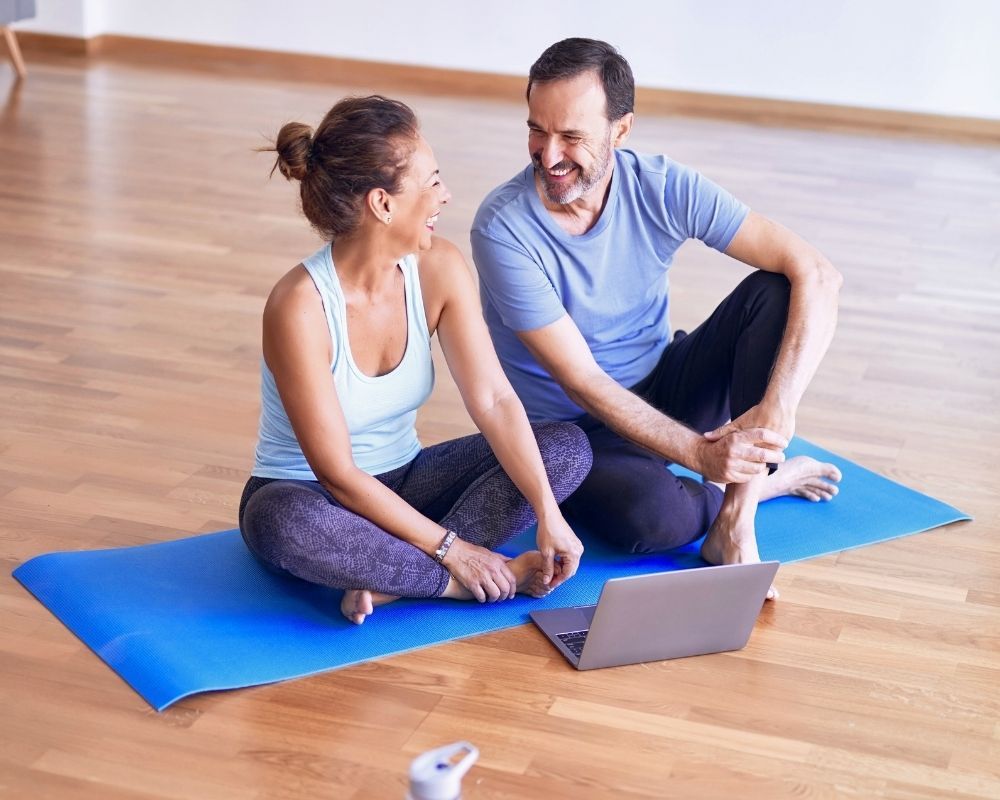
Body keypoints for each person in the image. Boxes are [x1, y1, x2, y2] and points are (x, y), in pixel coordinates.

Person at [472, 38, 843, 595]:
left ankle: (735, 523)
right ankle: (762, 484)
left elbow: (817, 273)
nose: (548, 155)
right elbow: (585, 382)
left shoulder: (663, 186)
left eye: (571, 136)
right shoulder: (503, 230)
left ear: (621, 131)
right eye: (536, 130)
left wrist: (779, 408)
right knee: (652, 520)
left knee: (778, 289)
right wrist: (699, 454)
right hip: (575, 433)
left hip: (664, 383)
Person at [240, 95, 592, 624]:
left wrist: (547, 511)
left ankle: (390, 582)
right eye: (430, 182)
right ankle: (451, 583)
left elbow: (494, 399)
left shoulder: (440, 269)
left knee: (565, 449)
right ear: (382, 204)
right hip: (312, 496)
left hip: (407, 480)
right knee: (281, 523)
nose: (444, 195)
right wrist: (456, 551)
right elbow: (337, 475)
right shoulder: (299, 306)